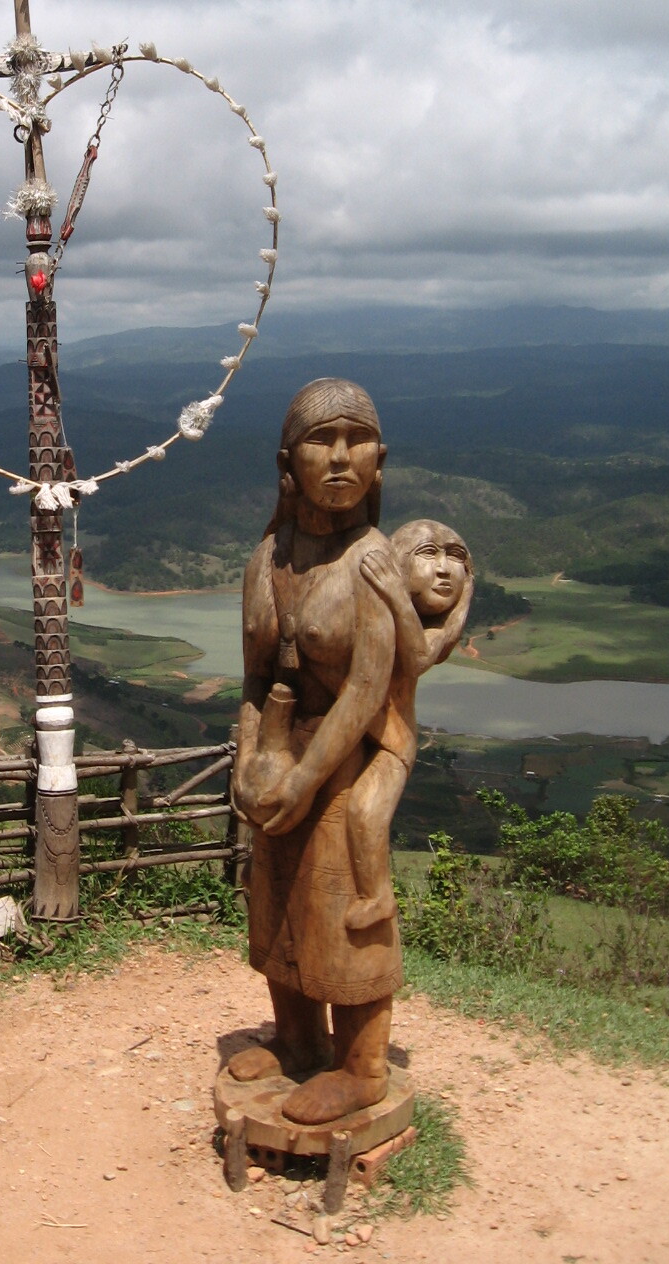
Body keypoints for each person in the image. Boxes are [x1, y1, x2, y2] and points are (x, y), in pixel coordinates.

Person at [229, 377, 399, 1125]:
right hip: (276, 752)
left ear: (380, 460)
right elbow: (254, 676)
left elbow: (367, 690)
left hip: (347, 758)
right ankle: (296, 1040)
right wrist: (247, 761)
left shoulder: (373, 563)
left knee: (340, 908)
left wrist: (305, 776)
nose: (339, 458)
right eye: (320, 442)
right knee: (276, 899)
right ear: (285, 462)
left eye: (356, 440)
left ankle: (361, 1067)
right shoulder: (266, 557)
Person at [345, 521, 473, 930]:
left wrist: (401, 596)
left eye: (456, 558)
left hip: (392, 739)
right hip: (347, 729)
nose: (443, 569)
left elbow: (416, 657)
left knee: (365, 812)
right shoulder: (370, 607)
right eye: (429, 553)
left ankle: (376, 897)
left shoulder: (430, 630)